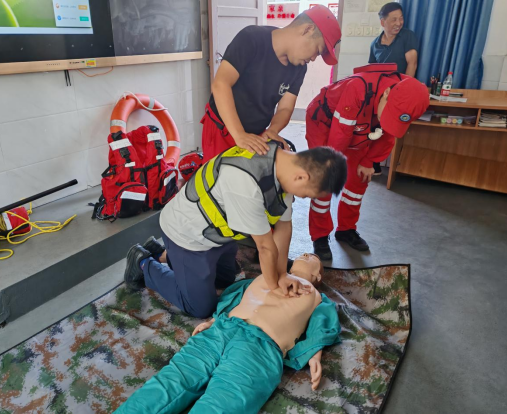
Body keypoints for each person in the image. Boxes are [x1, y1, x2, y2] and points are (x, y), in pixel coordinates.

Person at [123, 142, 347, 318]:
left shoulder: (284, 166)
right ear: (302, 177)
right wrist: (274, 286)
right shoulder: (246, 181)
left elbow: (284, 226)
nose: (302, 197)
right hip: (187, 235)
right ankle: (143, 263)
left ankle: (163, 253)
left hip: (217, 236)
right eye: (306, 194)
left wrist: (282, 274)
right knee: (200, 307)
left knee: (225, 281)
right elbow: (265, 247)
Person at [115, 253, 341, 414]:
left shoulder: (318, 298)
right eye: (303, 253)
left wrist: (315, 354)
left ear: (318, 277)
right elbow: (235, 298)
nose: (305, 254)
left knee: (222, 404)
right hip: (222, 329)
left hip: (261, 348)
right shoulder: (269, 275)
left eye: (312, 257)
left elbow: (321, 326)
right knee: (170, 382)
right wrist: (214, 320)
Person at [306, 64, 429, 258]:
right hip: (325, 122)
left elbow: (388, 134)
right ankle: (320, 235)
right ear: (387, 93)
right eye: (388, 115)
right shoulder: (358, 88)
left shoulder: (407, 96)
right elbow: (340, 134)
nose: (387, 120)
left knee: (360, 178)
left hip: (359, 125)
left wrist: (370, 161)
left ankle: (346, 229)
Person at [202, 5, 342, 162]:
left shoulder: (299, 68)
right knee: (219, 175)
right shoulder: (251, 39)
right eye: (318, 50)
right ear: (307, 30)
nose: (314, 58)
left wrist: (273, 130)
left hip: (257, 135)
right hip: (224, 129)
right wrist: (239, 134)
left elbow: (285, 108)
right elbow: (221, 84)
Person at [368, 2, 419, 176]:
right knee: (374, 126)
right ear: (383, 22)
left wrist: (404, 90)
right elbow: (371, 71)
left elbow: (412, 63)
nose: (399, 23)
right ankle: (372, 162)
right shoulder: (375, 44)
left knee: (389, 128)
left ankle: (383, 163)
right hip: (380, 93)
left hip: (399, 91)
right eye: (394, 19)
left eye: (401, 18)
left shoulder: (407, 36)